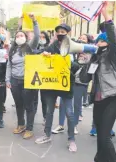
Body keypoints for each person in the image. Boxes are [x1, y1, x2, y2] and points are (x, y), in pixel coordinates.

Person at [81, 3, 116, 162]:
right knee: (100, 132)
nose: (100, 44)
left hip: (114, 97)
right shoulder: (96, 57)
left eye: (103, 41)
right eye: (98, 41)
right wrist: (86, 63)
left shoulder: (114, 55)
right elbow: (85, 78)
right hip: (99, 99)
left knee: (104, 135)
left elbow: (115, 40)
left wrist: (106, 17)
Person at [35, 23, 77, 152]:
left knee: (69, 113)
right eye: (58, 31)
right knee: (49, 111)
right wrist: (44, 55)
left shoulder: (74, 47)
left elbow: (77, 66)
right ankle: (47, 135)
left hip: (66, 84)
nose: (60, 33)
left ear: (68, 33)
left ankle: (71, 140)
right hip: (52, 85)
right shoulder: (51, 46)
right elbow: (39, 56)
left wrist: (65, 61)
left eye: (63, 31)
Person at [5, 13, 39, 139]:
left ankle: (29, 128)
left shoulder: (30, 47)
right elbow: (9, 65)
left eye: (22, 35)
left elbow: (36, 36)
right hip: (15, 81)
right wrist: (7, 80)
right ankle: (21, 125)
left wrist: (34, 21)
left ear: (26, 37)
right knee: (19, 104)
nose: (19, 37)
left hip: (28, 82)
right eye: (17, 35)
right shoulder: (12, 50)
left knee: (29, 105)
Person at [33, 31, 50, 124]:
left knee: (44, 99)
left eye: (44, 37)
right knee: (34, 99)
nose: (42, 39)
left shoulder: (50, 48)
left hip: (45, 76)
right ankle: (32, 117)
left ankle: (45, 117)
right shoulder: (34, 47)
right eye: (40, 37)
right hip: (34, 75)